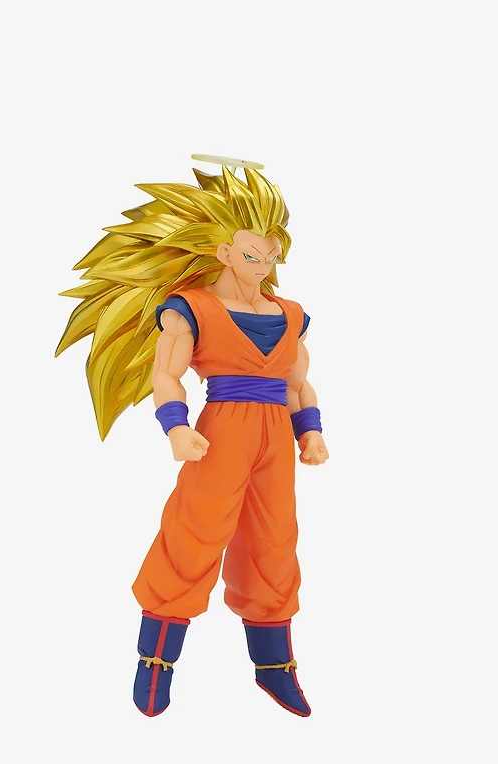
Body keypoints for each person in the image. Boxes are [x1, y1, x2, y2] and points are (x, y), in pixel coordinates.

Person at [56, 160, 329, 718]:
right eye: (251, 255)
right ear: (224, 251)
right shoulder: (192, 309)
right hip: (220, 432)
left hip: (276, 441)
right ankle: (155, 661)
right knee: (193, 535)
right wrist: (176, 428)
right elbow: (166, 375)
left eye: (271, 256)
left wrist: (312, 433)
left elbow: (298, 384)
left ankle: (274, 667)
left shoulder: (290, 314)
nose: (263, 266)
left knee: (275, 542)